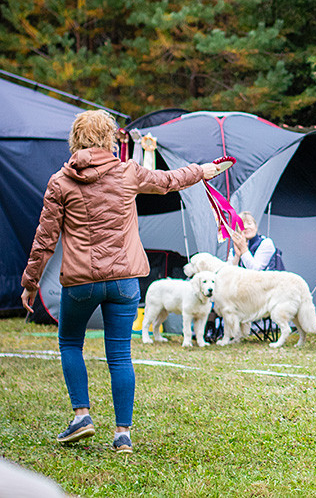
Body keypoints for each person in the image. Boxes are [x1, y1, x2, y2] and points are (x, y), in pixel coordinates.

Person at [19, 110, 230, 454]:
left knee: (71, 343)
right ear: (109, 139)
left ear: (75, 140)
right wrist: (203, 171)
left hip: (81, 282)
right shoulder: (127, 172)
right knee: (119, 356)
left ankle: (82, 416)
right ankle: (122, 435)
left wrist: (30, 282)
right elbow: (168, 180)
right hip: (124, 281)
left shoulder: (61, 181)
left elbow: (45, 239)